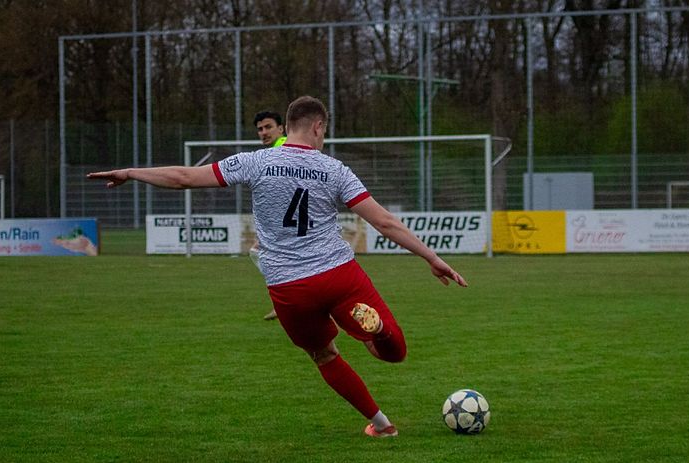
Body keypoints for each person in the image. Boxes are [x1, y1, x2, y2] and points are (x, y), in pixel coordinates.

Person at [89, 96, 467, 438]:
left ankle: (382, 425)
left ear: (286, 127)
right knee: (393, 352)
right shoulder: (334, 169)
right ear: (318, 126)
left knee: (325, 355)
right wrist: (431, 258)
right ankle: (377, 330)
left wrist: (131, 172)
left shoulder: (256, 161)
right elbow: (383, 222)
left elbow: (185, 177)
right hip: (338, 274)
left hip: (289, 287)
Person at [252, 110, 288, 321]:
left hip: (288, 224)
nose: (264, 132)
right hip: (285, 222)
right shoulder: (276, 150)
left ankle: (284, 301)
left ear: (281, 128)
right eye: (260, 129)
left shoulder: (282, 148)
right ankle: (283, 301)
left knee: (259, 253)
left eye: (268, 127)